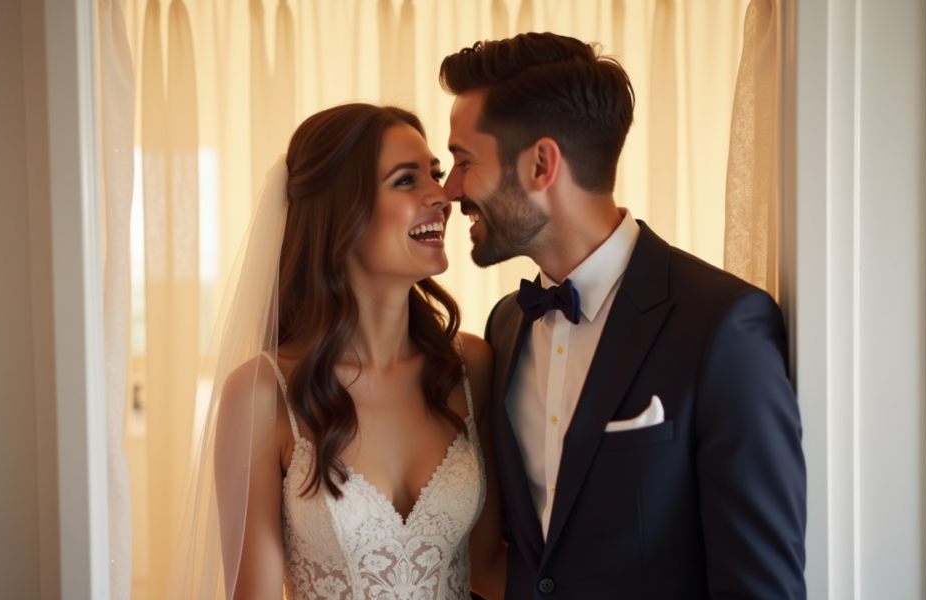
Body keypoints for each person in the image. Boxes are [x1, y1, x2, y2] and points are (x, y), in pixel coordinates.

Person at [440, 32, 807, 599]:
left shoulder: (721, 328)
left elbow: (759, 587)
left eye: (463, 161)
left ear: (541, 164)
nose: (450, 189)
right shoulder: (505, 327)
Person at [168, 104, 507, 600]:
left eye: (435, 175)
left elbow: (490, 568)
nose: (443, 195)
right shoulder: (262, 395)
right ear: (341, 212)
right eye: (407, 181)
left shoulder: (470, 367)